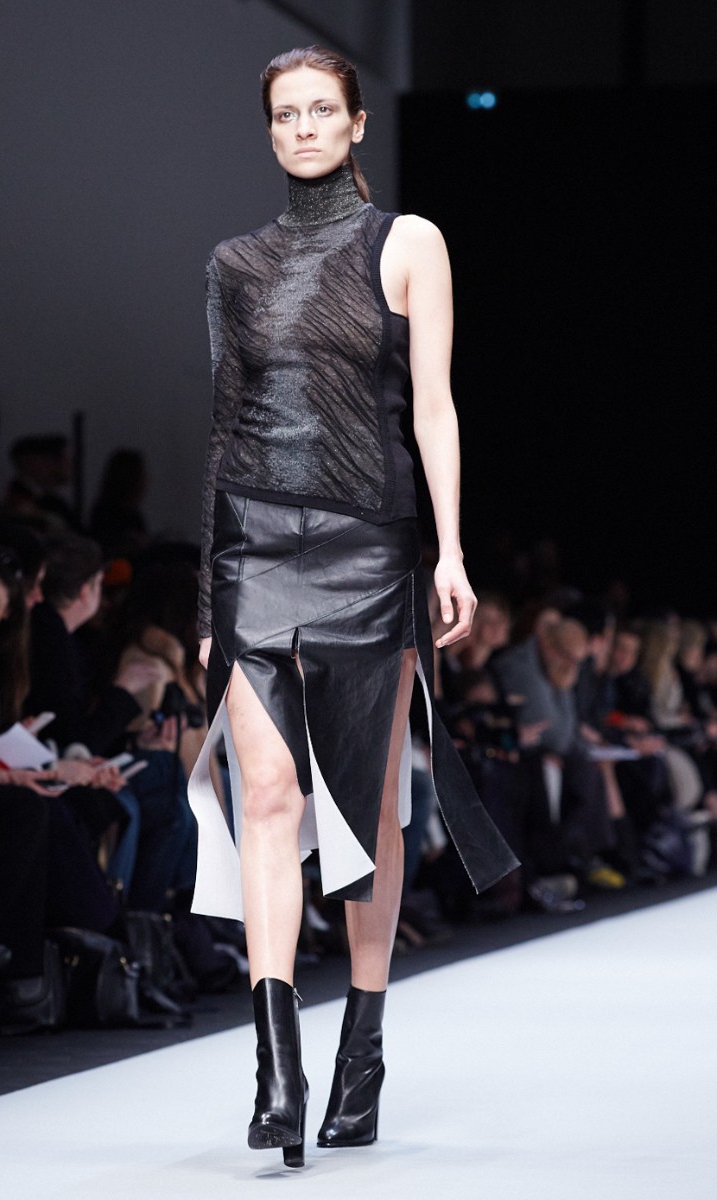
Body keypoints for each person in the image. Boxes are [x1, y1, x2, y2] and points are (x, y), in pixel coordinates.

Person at [189, 46, 517, 1167]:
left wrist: (450, 550)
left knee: (368, 813)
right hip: (252, 543)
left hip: (369, 545)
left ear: (357, 122)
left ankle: (361, 1057)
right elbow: (220, 428)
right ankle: (275, 1073)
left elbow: (434, 408)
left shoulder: (406, 241)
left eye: (321, 109)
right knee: (268, 795)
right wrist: (207, 589)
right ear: (269, 130)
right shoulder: (233, 264)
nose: (303, 127)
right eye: (285, 113)